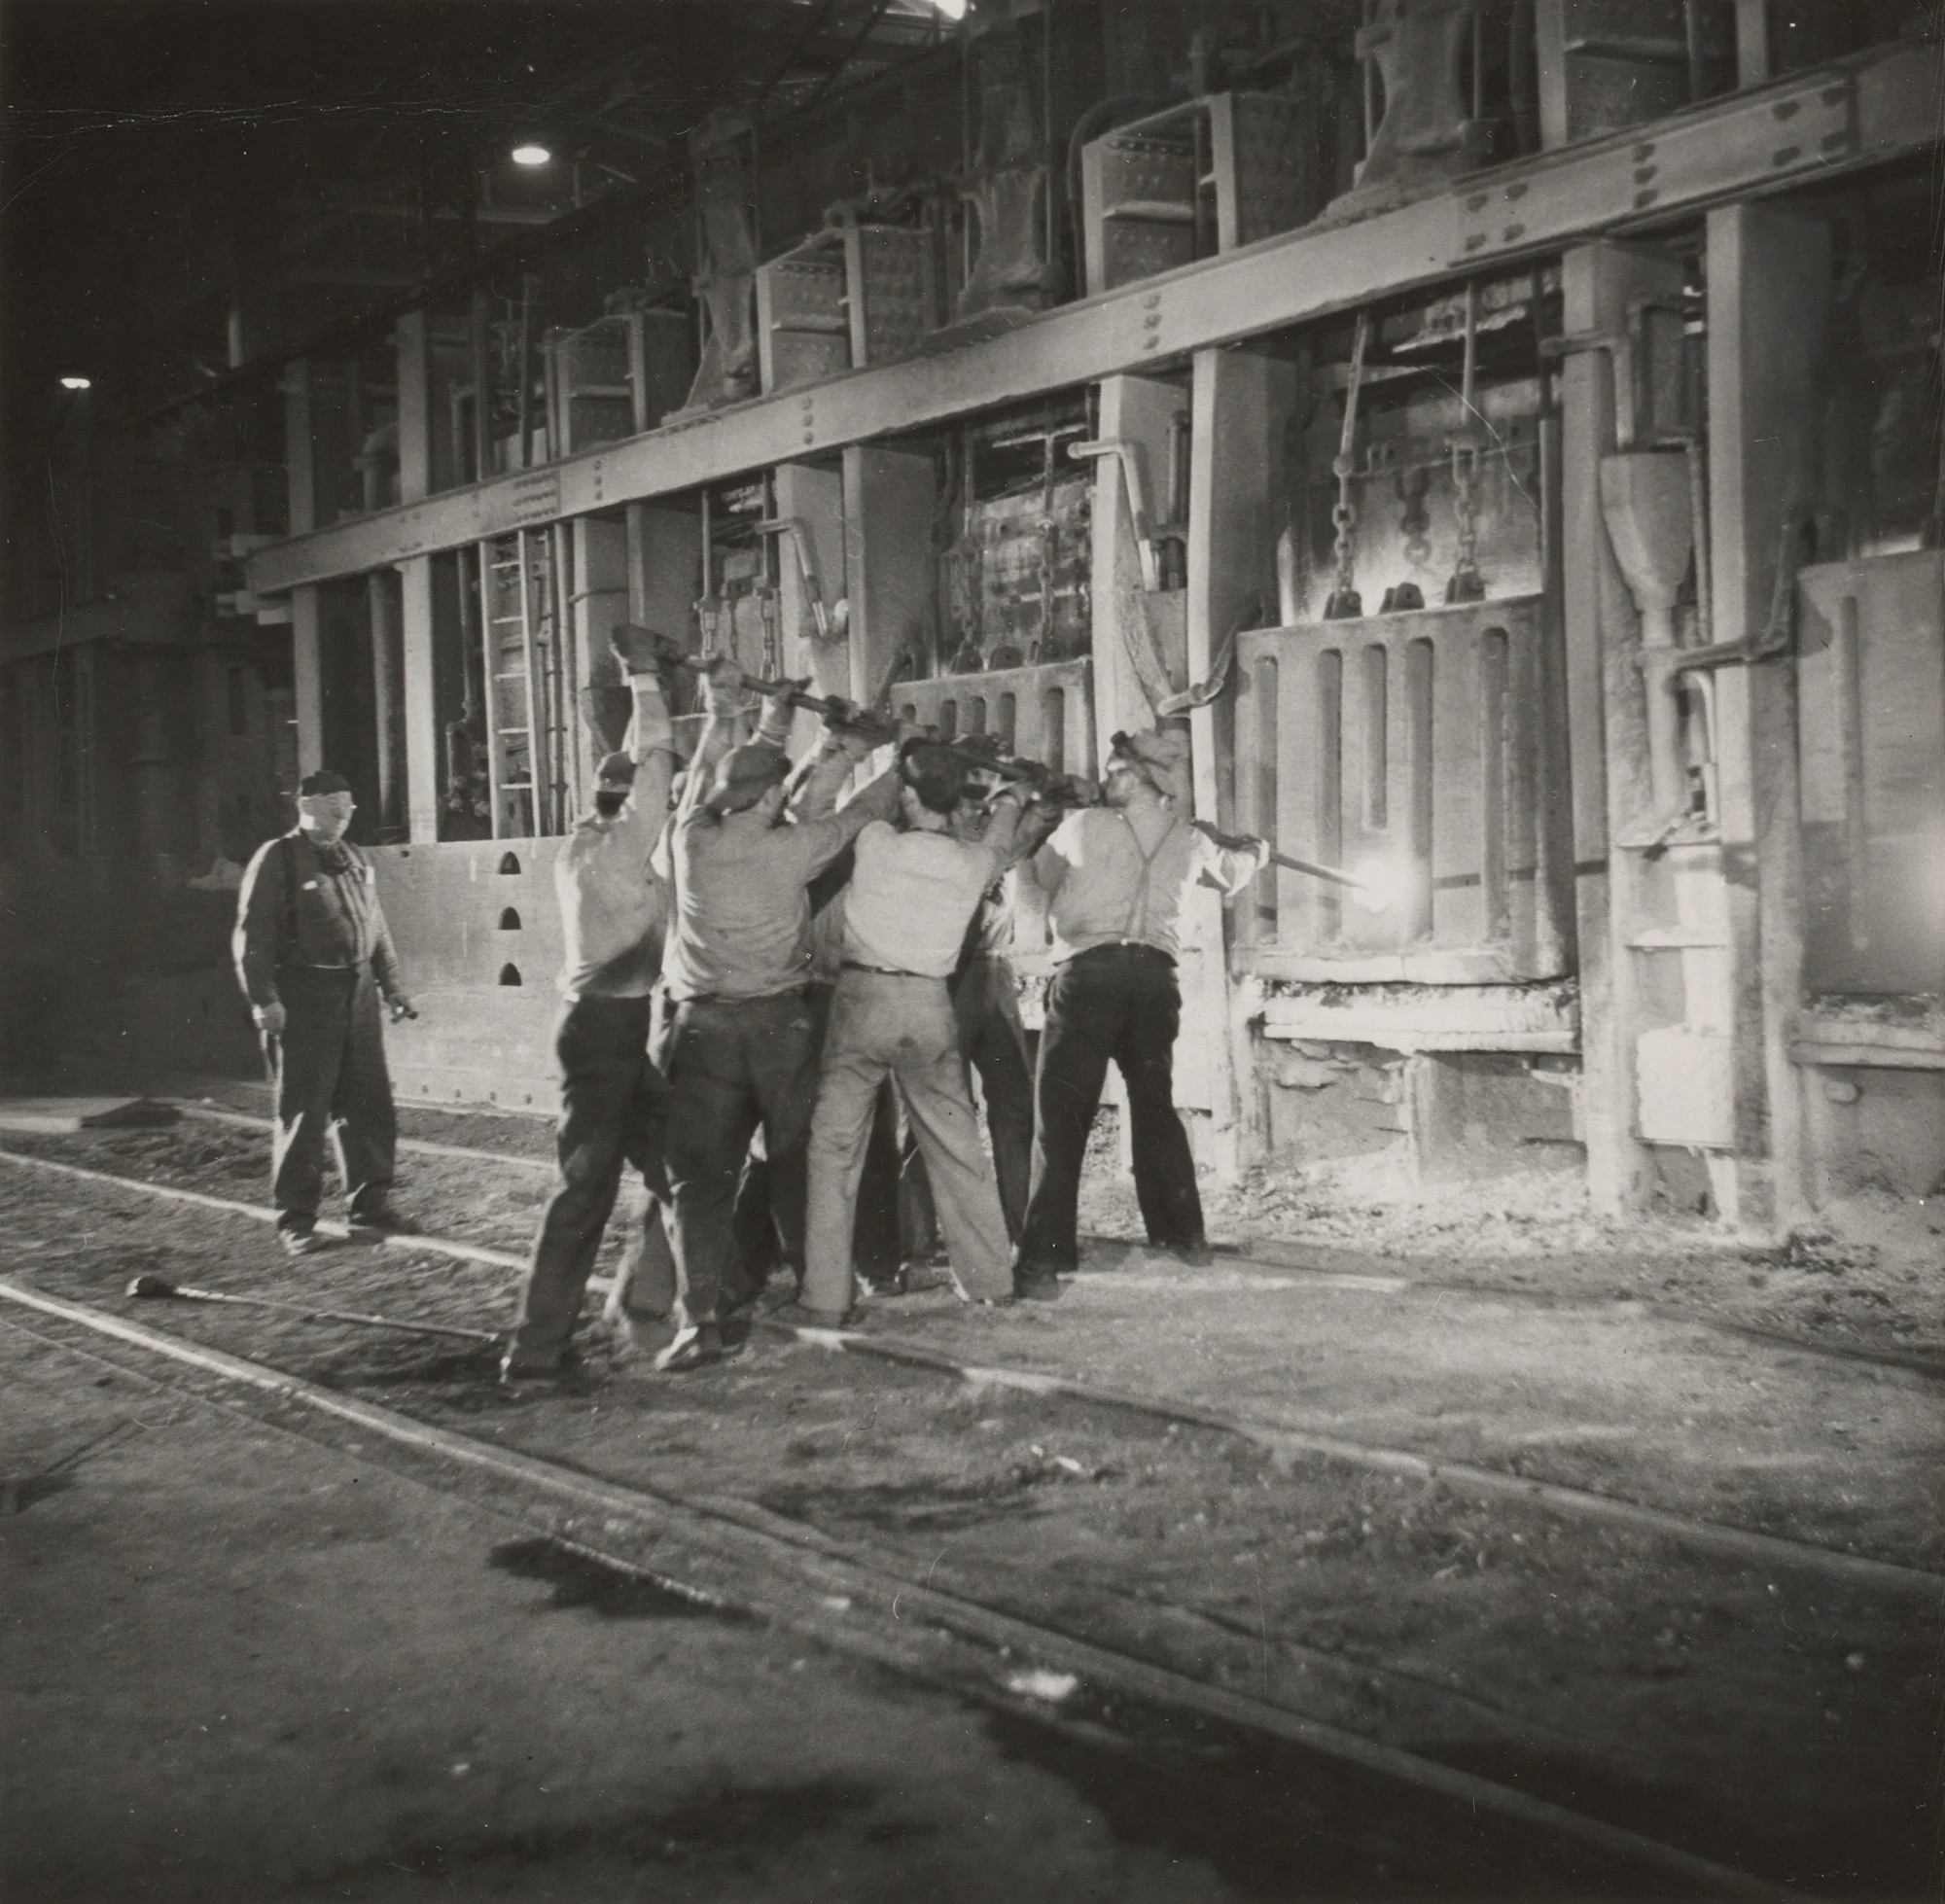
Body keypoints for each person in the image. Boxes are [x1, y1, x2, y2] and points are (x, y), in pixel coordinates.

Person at [655, 663, 896, 1370]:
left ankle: (698, 1319)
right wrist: (900, 757)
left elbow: (704, 780)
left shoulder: (689, 839)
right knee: (798, 1160)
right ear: (770, 799)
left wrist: (770, 716)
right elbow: (859, 815)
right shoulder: (791, 849)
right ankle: (826, 1292)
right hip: (776, 1030)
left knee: (699, 1180)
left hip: (699, 1030)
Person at [501, 624, 698, 1382]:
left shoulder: (592, 840)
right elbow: (655, 764)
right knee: (584, 1194)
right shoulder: (618, 850)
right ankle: (535, 1348)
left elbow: (636, 772)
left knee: (679, 1164)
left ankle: (672, 1310)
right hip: (602, 1037)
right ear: (630, 806)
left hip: (610, 1033)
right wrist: (644, 677)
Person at [1010, 726, 1268, 1299]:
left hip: (1088, 977)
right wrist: (1256, 849)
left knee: (1061, 1115)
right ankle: (1184, 1237)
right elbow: (1238, 870)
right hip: (1155, 983)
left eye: (1117, 770)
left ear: (1145, 779)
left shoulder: (1081, 827)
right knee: (1154, 1104)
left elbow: (1036, 887)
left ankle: (1043, 1262)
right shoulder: (1189, 839)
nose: (1106, 779)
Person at [799, 742, 1036, 1325]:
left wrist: (892, 764)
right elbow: (1003, 833)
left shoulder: (876, 844)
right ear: (959, 802)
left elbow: (843, 812)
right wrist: (1016, 793)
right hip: (930, 1004)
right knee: (956, 1145)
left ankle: (826, 1297)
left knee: (834, 1149)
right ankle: (988, 1282)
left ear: (908, 797)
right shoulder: (974, 862)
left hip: (862, 1000)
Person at [231, 768, 416, 1256]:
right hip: (303, 995)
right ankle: (296, 1220)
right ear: (306, 804)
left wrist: (392, 986)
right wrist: (263, 1000)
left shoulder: (354, 858)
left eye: (349, 803)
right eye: (334, 801)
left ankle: (370, 1202)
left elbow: (376, 927)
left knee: (368, 1102)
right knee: (305, 1110)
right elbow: (251, 937)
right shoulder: (277, 859)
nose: (344, 811)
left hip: (355, 992)